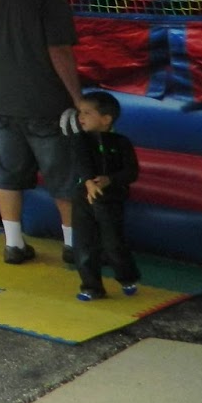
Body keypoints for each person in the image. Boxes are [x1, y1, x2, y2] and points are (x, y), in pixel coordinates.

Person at [0, 0, 82, 265]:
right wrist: (78, 99)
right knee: (63, 176)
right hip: (45, 102)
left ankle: (13, 243)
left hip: (2, 101)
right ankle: (73, 245)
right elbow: (60, 52)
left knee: (8, 174)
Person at [70, 89, 140, 301]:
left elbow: (131, 172)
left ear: (106, 119)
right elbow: (80, 163)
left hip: (110, 200)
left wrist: (110, 180)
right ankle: (91, 287)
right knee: (84, 245)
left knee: (113, 244)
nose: (80, 117)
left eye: (87, 113)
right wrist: (89, 183)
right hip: (83, 199)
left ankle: (127, 276)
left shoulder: (121, 143)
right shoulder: (80, 140)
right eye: (80, 112)